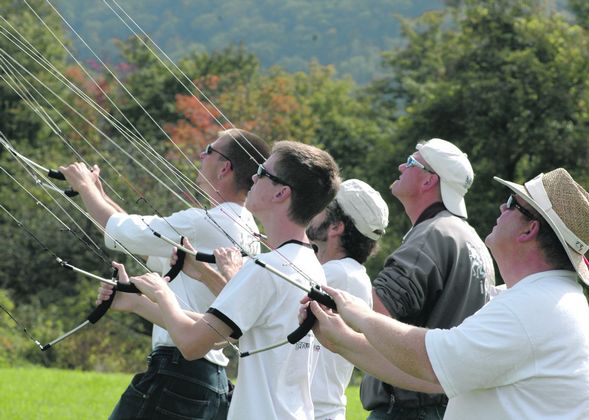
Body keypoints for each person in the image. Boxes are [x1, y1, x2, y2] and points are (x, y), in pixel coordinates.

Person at [307, 167, 589, 419]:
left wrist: (355, 312)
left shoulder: (533, 307)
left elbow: (429, 362)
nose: (502, 207)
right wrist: (342, 341)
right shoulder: (543, 300)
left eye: (513, 203)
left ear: (529, 230)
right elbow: (434, 378)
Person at [101, 140, 341, 420]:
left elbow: (193, 344)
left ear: (281, 193)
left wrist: (160, 292)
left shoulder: (265, 266)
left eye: (263, 172)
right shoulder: (309, 266)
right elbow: (220, 334)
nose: (253, 176)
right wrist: (146, 300)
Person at [60, 128, 270, 419]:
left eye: (209, 149)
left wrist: (84, 186)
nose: (200, 153)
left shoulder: (203, 223)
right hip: (209, 381)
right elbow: (139, 238)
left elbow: (123, 234)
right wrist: (98, 192)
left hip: (178, 374)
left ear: (225, 168)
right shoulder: (247, 227)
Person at [360, 138, 496, 419]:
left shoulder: (433, 234)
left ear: (428, 181)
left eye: (411, 162)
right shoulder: (473, 241)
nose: (401, 165)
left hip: (406, 410)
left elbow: (377, 313)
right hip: (449, 406)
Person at [305, 178, 389, 420]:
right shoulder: (350, 272)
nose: (312, 212)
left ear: (336, 227)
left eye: (321, 208)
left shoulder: (338, 273)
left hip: (314, 413)